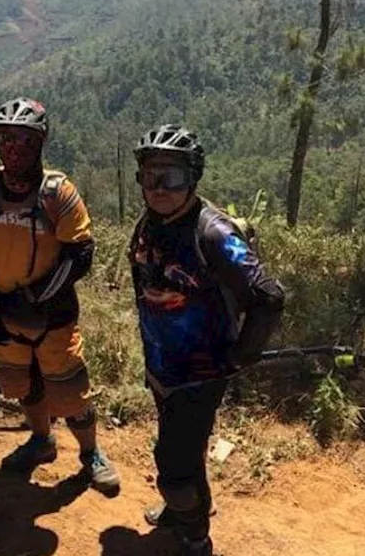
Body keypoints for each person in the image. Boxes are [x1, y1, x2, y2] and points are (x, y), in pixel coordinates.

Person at [128, 124, 284, 556]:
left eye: (171, 177)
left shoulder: (213, 233)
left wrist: (241, 355)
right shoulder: (150, 224)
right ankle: (183, 509)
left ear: (192, 177)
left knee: (173, 467)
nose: (159, 188)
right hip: (163, 364)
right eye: (150, 177)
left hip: (201, 371)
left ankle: (195, 536)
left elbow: (269, 296)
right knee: (184, 448)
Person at [0, 98, 119, 493]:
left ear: (40, 144)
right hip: (2, 310)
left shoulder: (58, 193)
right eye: (6, 139)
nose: (14, 148)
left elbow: (79, 255)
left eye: (25, 141)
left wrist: (32, 298)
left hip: (53, 313)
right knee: (22, 385)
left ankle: (90, 454)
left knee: (68, 389)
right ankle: (41, 440)